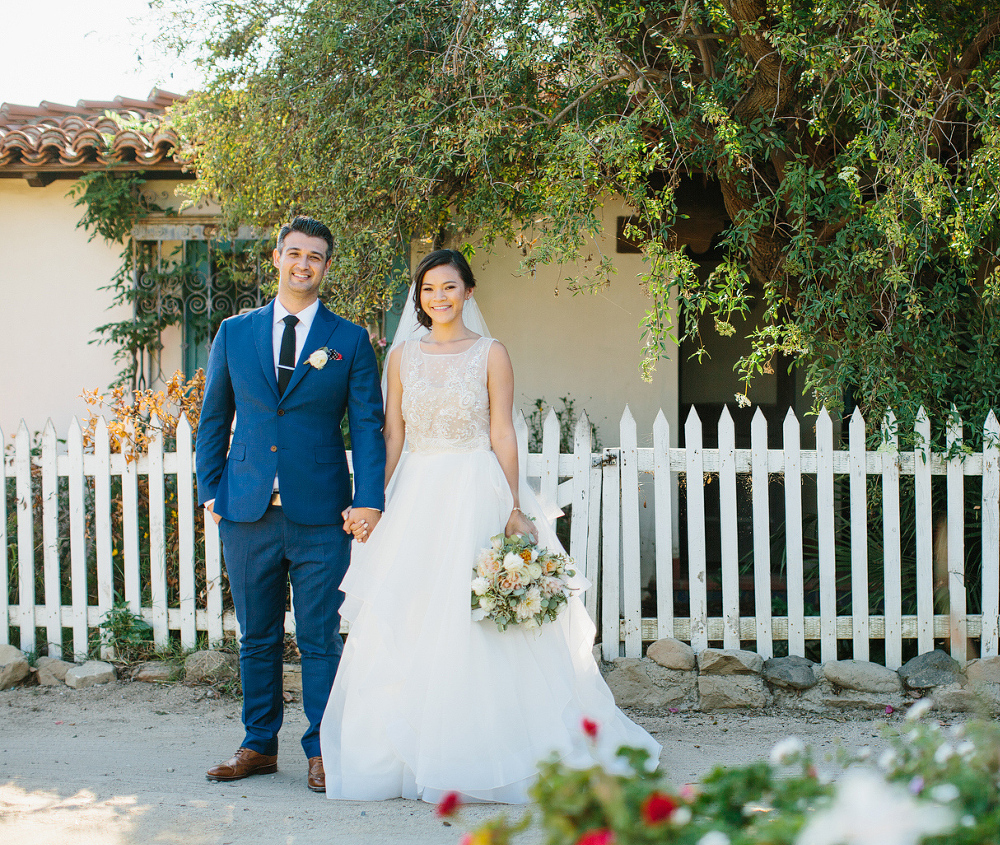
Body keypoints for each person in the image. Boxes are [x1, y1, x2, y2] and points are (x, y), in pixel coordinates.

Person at [320, 249, 659, 803]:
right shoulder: (402, 356)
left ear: (468, 292)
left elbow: (503, 431)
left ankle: (493, 747)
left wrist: (512, 505)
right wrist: (376, 501)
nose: (438, 298)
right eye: (428, 289)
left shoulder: (490, 354)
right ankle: (409, 751)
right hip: (419, 494)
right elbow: (393, 437)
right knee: (416, 610)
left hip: (475, 486)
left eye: (448, 287)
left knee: (476, 617)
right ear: (419, 297)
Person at [195, 216, 386, 794]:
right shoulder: (234, 332)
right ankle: (257, 745)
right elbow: (213, 419)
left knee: (319, 635)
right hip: (247, 511)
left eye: (316, 257)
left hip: (321, 514)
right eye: (294, 253)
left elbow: (369, 427)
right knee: (256, 635)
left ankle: (323, 749)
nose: (304, 264)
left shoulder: (349, 340)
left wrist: (369, 499)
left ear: (327, 267)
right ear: (277, 258)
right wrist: (212, 490)